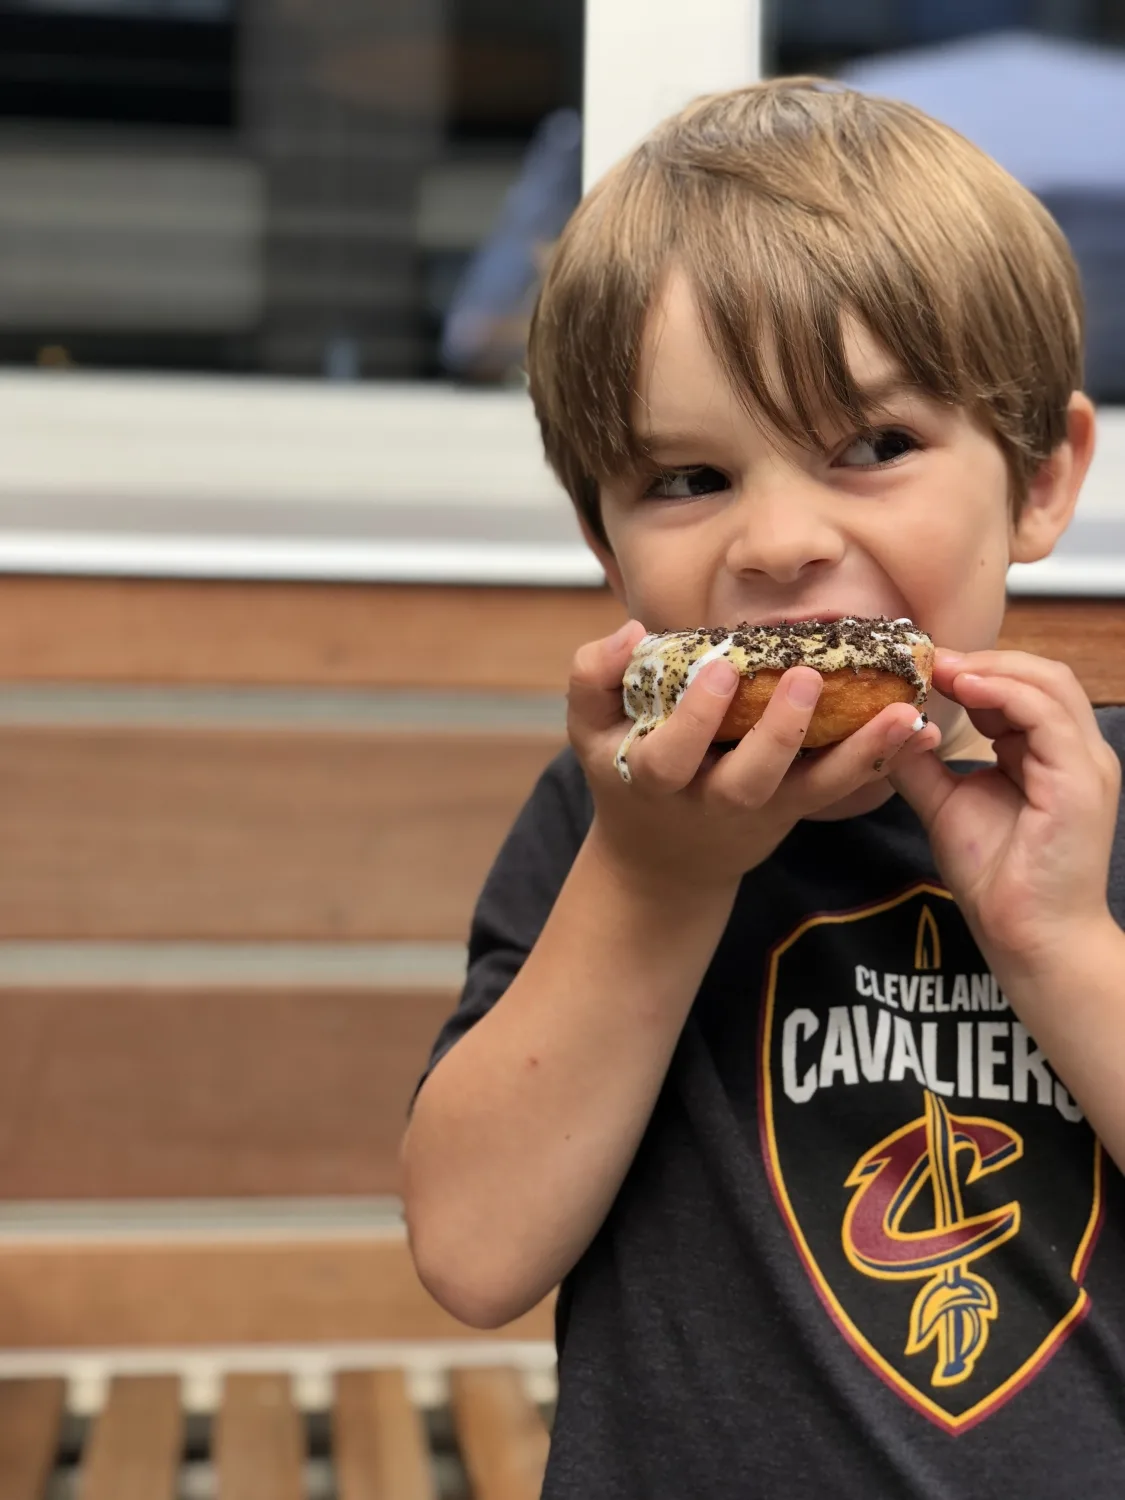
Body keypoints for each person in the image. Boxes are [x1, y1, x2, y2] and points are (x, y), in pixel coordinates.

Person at [402, 79, 1125, 1498]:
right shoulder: (607, 820)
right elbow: (475, 1255)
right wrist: (655, 880)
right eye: (686, 477)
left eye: (874, 449)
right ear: (603, 542)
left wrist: (1062, 942)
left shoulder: (1101, 802)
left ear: (1042, 480)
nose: (781, 540)